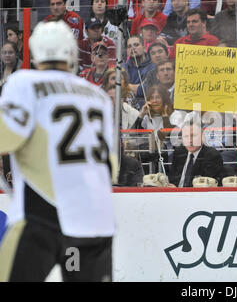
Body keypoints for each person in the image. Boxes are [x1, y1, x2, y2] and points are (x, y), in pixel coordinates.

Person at [0, 21, 117, 282]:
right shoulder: (97, 96)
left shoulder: (24, 82)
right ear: (72, 53)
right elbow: (111, 167)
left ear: (36, 53)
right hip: (93, 224)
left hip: (43, 217)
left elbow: (5, 138)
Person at [168, 119, 224, 187]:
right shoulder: (178, 152)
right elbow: (172, 179)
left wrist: (178, 191)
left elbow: (206, 186)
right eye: (186, 136)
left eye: (193, 136)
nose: (190, 140)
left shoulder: (212, 156)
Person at [124, 35, 154, 107]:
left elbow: (147, 89)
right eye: (129, 46)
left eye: (136, 45)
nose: (132, 48)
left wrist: (126, 87)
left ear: (144, 48)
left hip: (148, 109)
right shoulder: (123, 67)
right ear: (127, 51)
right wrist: (138, 87)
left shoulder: (153, 66)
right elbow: (118, 88)